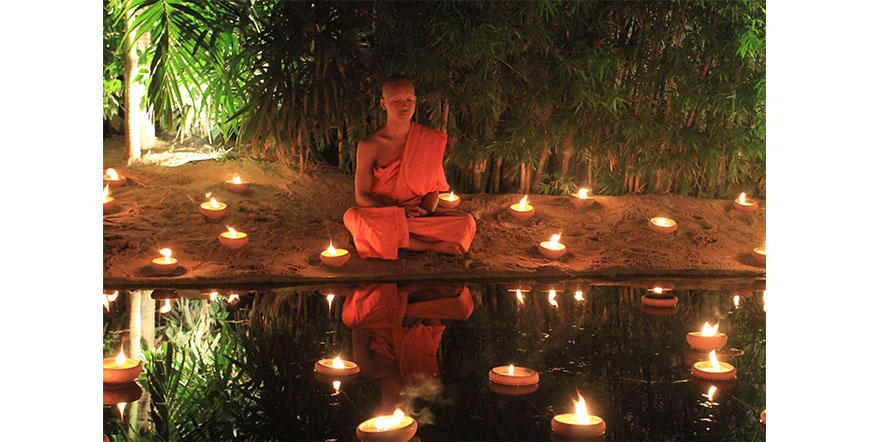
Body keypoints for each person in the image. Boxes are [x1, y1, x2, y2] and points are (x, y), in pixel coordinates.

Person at [343, 75, 476, 259]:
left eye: (409, 100)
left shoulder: (427, 139)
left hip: (416, 218)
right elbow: (362, 196)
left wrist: (425, 212)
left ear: (415, 100)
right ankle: (429, 246)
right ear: (383, 104)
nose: (404, 106)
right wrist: (397, 212)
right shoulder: (370, 145)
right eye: (396, 101)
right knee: (354, 216)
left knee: (466, 221)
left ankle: (394, 241)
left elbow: (432, 190)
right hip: (383, 214)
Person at [342, 283, 473, 415]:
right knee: (463, 309)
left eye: (390, 412)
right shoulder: (421, 381)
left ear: (377, 410)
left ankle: (418, 288)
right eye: (401, 413)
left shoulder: (367, 371)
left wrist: (396, 318)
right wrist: (416, 317)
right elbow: (432, 326)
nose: (398, 408)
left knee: (354, 316)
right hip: (412, 306)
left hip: (385, 308)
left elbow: (359, 326)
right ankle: (423, 288)